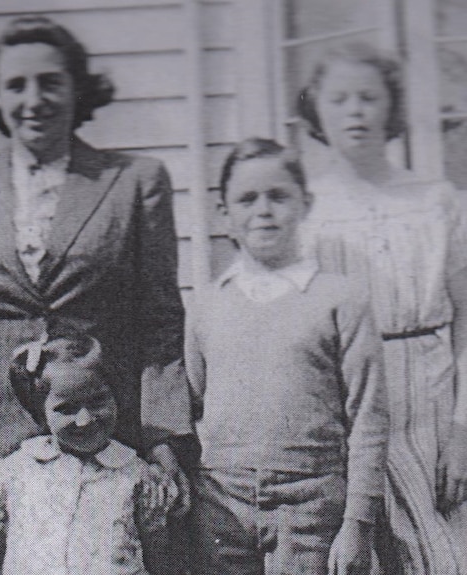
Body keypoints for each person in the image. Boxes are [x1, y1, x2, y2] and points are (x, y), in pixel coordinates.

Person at [0, 14, 192, 489]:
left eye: (50, 83)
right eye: (16, 85)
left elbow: (161, 319)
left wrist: (163, 436)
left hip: (105, 429)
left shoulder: (133, 182)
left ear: (78, 89)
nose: (33, 100)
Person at [298, 43, 467, 574]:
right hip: (354, 407)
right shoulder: (308, 210)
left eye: (369, 98)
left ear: (390, 108)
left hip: (435, 400)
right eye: (340, 98)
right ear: (316, 111)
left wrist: (463, 432)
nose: (355, 111)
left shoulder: (436, 199)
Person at [184, 137, 389, 575]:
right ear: (225, 214)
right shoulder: (207, 304)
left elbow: (369, 418)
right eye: (247, 198)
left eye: (278, 196)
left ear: (305, 203)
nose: (263, 210)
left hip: (312, 506)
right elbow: (196, 398)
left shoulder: (340, 297)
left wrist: (358, 523)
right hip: (222, 502)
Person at [0, 333, 180, 575]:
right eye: (66, 409)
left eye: (97, 402)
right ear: (40, 414)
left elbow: (159, 557)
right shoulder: (13, 473)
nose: (84, 420)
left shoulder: (139, 477)